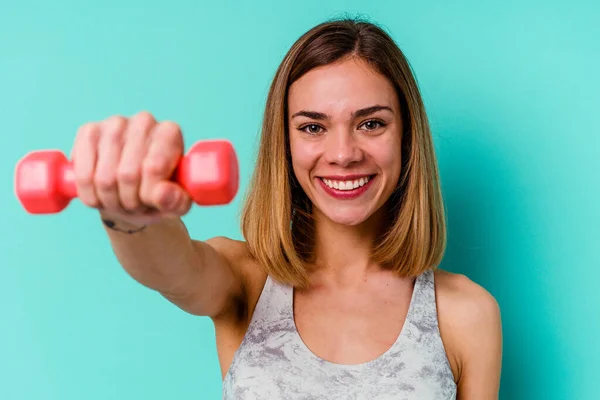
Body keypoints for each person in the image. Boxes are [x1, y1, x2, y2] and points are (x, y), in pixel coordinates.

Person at [70, 18, 502, 399]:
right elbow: (173, 270)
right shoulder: (246, 281)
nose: (343, 153)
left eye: (371, 124)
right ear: (286, 144)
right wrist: (130, 220)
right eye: (313, 127)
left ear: (406, 137)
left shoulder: (466, 313)